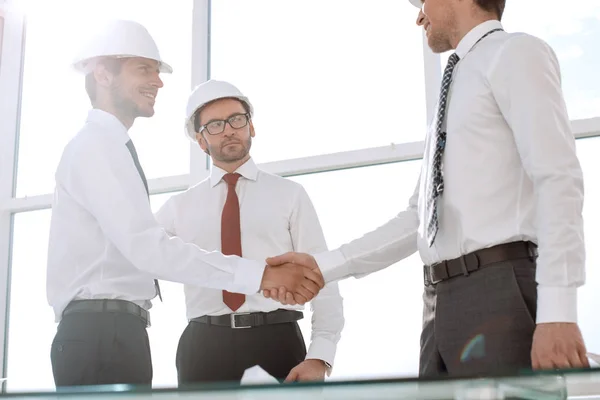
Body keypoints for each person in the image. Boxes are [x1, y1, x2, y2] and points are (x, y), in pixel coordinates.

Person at [266, 0, 589, 378]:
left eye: (421, 1)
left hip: (501, 291)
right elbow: (418, 219)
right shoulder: (452, 89)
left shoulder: (515, 52)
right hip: (438, 304)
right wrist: (326, 265)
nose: (419, 15)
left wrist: (559, 313)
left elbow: (558, 178)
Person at [46, 20, 323, 389]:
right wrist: (261, 275)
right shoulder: (97, 147)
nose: (159, 81)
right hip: (104, 334)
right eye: (144, 68)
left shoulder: (110, 148)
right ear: (103, 74)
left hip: (116, 332)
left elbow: (144, 248)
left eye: (237, 119)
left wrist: (322, 349)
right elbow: (150, 248)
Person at [154, 79, 345, 385]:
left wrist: (320, 355)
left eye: (236, 120)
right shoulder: (177, 208)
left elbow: (323, 276)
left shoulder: (290, 195)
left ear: (251, 127)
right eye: (215, 125)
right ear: (201, 141)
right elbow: (140, 254)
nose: (229, 129)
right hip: (204, 346)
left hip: (278, 340)